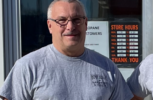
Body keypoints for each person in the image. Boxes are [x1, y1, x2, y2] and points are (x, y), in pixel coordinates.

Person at [0, 0, 133, 100]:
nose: (70, 26)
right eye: (62, 20)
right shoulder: (27, 67)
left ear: (86, 24)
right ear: (50, 26)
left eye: (76, 20)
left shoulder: (107, 67)